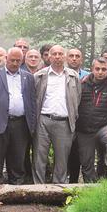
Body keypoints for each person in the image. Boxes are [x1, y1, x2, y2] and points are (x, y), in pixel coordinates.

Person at [33, 45, 81, 184]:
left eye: (60, 54)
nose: (58, 56)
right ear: (49, 56)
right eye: (54, 54)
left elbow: (77, 98)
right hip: (43, 119)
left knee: (62, 158)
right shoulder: (40, 75)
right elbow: (35, 97)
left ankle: (58, 188)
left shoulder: (73, 76)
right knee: (39, 156)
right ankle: (38, 188)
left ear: (65, 56)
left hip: (64, 122)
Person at [0, 47, 37, 184]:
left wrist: (32, 124)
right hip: (0, 120)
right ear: (6, 59)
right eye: (12, 60)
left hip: (21, 122)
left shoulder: (28, 77)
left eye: (18, 60)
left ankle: (16, 183)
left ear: (22, 61)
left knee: (18, 154)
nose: (15, 63)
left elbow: (32, 101)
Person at [76, 58, 107, 181]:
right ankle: (90, 190)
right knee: (87, 164)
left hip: (103, 127)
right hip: (83, 129)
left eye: (104, 69)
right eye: (97, 69)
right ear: (92, 69)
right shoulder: (82, 83)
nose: (100, 72)